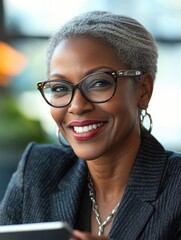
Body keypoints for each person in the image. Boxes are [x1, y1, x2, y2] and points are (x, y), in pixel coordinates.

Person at [0, 10, 181, 240]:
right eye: (59, 88)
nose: (77, 105)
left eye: (98, 83)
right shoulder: (37, 171)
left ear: (143, 90)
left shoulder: (176, 189)